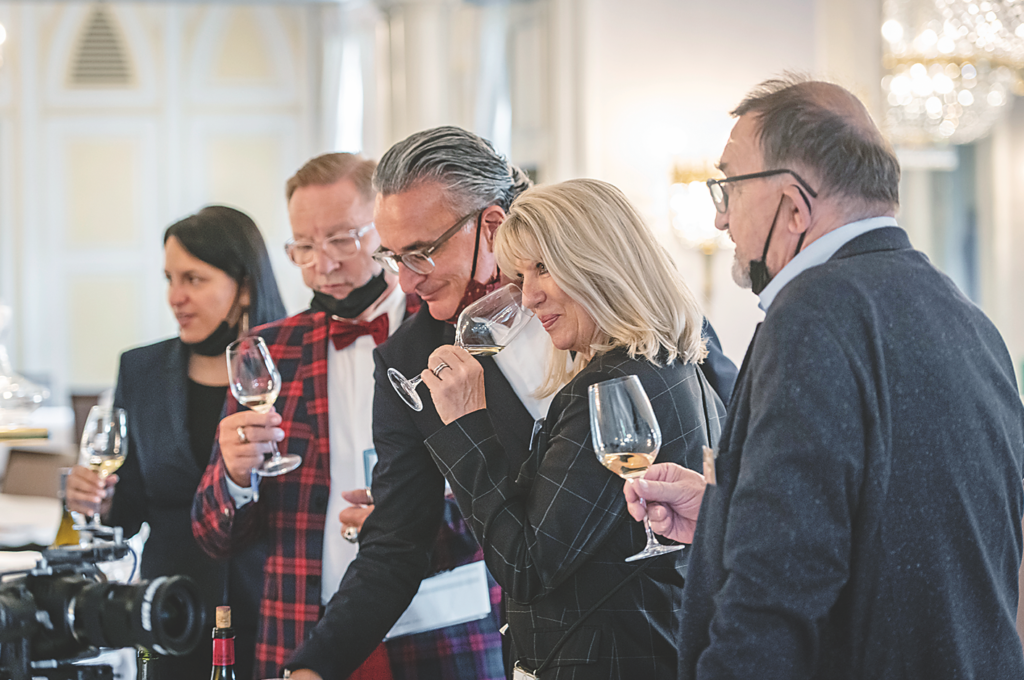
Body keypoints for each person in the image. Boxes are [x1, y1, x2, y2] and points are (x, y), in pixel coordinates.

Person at [284, 126, 738, 679]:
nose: (405, 283)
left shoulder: (618, 297)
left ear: (491, 226)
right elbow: (396, 545)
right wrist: (311, 667)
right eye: (392, 256)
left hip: (675, 637)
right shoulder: (412, 361)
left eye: (422, 254)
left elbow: (731, 428)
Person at [624, 75, 1024, 679]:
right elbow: (899, 522)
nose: (721, 219)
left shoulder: (811, 317)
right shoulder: (966, 317)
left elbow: (776, 590)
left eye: (729, 186)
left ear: (792, 206)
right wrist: (724, 516)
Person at [191, 153, 500, 680]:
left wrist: (411, 517)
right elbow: (213, 535)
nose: (322, 264)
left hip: (444, 627)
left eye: (341, 240)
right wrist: (236, 477)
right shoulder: (267, 352)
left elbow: (508, 491)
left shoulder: (457, 332)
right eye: (304, 247)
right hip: (305, 631)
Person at [416, 178, 724, 677]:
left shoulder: (609, 386)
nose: (530, 296)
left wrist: (467, 424)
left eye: (545, 267)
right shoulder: (671, 364)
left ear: (601, 262)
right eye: (520, 274)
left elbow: (527, 566)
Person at [65, 205, 286, 680]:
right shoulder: (141, 370)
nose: (175, 297)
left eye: (194, 279)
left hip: (274, 606)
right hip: (172, 608)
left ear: (243, 285)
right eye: (169, 278)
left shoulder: (290, 363)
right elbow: (128, 511)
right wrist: (95, 501)